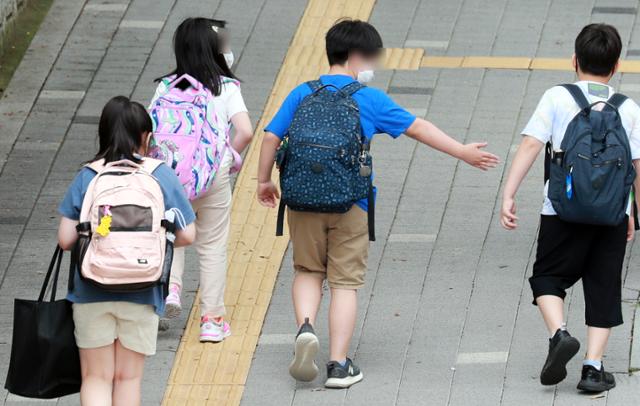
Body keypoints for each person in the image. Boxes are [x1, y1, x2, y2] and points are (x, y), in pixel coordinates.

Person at [256, 19, 499, 388]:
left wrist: (263, 181)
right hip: (351, 203)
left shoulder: (301, 93)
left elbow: (271, 136)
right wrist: (461, 152)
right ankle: (338, 365)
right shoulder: (368, 99)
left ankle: (305, 328)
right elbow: (418, 127)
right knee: (343, 283)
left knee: (307, 270)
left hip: (302, 200)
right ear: (356, 55)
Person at [501, 23, 640, 393]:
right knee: (604, 286)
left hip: (562, 209)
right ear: (616, 67)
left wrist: (509, 193)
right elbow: (637, 166)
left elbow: (531, 145)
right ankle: (593, 370)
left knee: (547, 276)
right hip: (611, 214)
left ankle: (559, 334)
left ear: (574, 60)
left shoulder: (557, 97)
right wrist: (633, 212)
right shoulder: (629, 109)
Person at [57, 96, 196, 405]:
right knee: (128, 378)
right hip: (143, 290)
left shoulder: (89, 176)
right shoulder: (160, 175)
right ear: (146, 137)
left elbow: (66, 239)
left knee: (96, 378)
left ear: (103, 133)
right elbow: (188, 234)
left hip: (90, 290)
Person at [150, 17, 254, 341]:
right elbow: (246, 131)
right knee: (211, 246)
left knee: (172, 230)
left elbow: (150, 129)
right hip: (212, 176)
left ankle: (169, 290)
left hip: (169, 176)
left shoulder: (167, 87)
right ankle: (211, 321)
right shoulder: (225, 87)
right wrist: (230, 159)